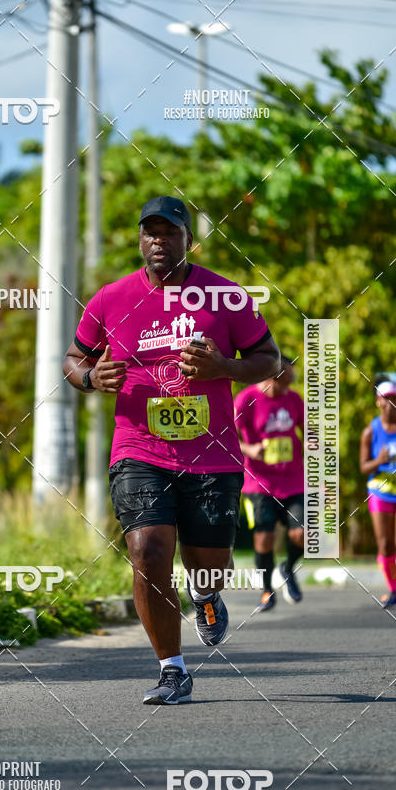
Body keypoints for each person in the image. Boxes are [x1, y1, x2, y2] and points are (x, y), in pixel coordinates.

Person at [62, 195, 279, 705]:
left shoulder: (225, 297)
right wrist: (91, 377)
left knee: (210, 565)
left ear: (188, 239)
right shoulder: (110, 299)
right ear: (141, 239)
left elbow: (269, 359)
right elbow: (73, 359)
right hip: (138, 449)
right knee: (148, 550)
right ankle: (172, 670)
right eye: (150, 232)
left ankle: (205, 594)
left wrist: (225, 368)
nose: (159, 240)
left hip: (212, 454)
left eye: (170, 232)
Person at [234, 355, 305, 611]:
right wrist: (250, 449)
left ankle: (288, 568)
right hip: (259, 483)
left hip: (293, 480)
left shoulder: (294, 399)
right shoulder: (246, 400)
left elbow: (309, 431)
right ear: (273, 375)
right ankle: (266, 590)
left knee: (302, 534)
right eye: (287, 378)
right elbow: (227, 436)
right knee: (264, 538)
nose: (290, 384)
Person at [360, 378, 396, 607]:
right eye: (386, 399)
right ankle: (394, 591)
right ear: (378, 402)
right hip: (380, 493)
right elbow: (364, 467)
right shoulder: (370, 431)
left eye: (394, 398)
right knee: (385, 545)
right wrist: (379, 461)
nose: (391, 403)